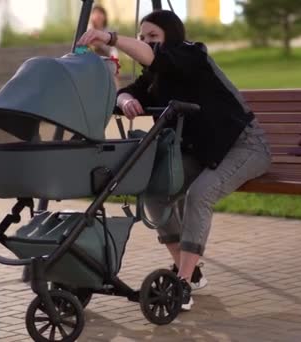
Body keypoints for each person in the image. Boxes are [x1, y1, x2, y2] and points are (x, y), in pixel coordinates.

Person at [78, 10, 272, 312]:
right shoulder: (157, 74)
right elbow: (130, 90)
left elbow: (157, 58)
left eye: (153, 37)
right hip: (204, 152)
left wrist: (111, 37)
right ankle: (191, 273)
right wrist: (125, 99)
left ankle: (180, 283)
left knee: (199, 194)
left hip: (244, 146)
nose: (146, 43)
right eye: (142, 37)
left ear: (172, 36)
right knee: (155, 193)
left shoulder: (191, 55)